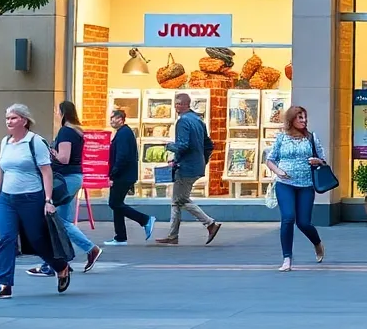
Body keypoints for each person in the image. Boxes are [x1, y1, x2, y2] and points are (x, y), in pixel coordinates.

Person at [0, 104, 72, 300]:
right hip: (7, 199)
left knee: (36, 239)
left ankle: (61, 267)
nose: (9, 121)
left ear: (24, 121)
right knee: (6, 238)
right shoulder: (5, 142)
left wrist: (48, 200)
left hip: (31, 198)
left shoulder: (35, 142)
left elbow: (46, 172)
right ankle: (4, 284)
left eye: (14, 118)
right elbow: (2, 169)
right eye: (7, 118)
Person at [26, 101, 101, 277]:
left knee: (54, 221)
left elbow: (64, 158)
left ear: (62, 112)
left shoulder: (66, 131)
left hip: (65, 179)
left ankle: (86, 251)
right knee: (63, 220)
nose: (56, 114)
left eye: (57, 111)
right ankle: (61, 262)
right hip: (73, 178)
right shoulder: (76, 131)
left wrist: (50, 151)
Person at [264, 105, 328, 271]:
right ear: (291, 119)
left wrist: (317, 161)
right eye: (300, 117)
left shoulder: (311, 137)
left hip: (306, 184)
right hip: (285, 184)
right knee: (288, 218)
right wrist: (278, 171)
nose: (304, 120)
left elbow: (322, 159)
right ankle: (287, 259)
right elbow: (270, 160)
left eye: (305, 117)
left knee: (304, 223)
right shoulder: (281, 138)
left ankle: (317, 243)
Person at [155, 93, 221, 245]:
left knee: (180, 199)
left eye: (178, 104)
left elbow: (183, 145)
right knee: (176, 201)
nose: (176, 106)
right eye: (175, 103)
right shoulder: (198, 120)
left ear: (186, 104)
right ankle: (172, 236)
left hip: (186, 167)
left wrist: (168, 146)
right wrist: (202, 160)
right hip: (195, 164)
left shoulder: (183, 121)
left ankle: (210, 223)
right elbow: (209, 145)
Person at [104, 109, 154, 246]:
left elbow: (122, 156)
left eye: (113, 118)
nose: (111, 121)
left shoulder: (124, 133)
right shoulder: (123, 133)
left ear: (120, 119)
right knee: (117, 204)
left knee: (114, 203)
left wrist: (113, 173)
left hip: (122, 176)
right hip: (123, 175)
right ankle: (120, 237)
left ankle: (145, 220)